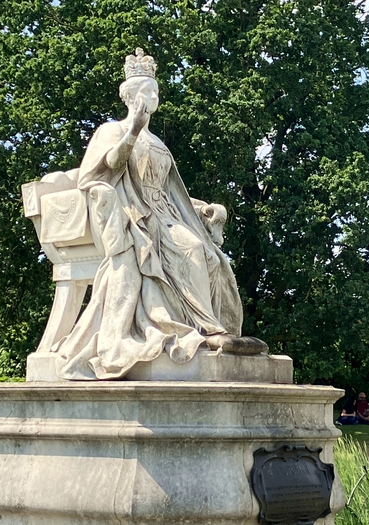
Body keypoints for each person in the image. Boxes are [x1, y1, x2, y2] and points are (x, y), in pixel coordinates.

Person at [52, 48, 266, 380]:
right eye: (144, 92)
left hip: (165, 213)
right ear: (130, 97)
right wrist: (133, 130)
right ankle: (206, 329)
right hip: (134, 214)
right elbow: (107, 166)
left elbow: (169, 192)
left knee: (209, 255)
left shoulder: (159, 143)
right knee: (192, 249)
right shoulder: (112, 130)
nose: (151, 97)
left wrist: (200, 208)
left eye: (154, 91)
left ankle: (206, 326)